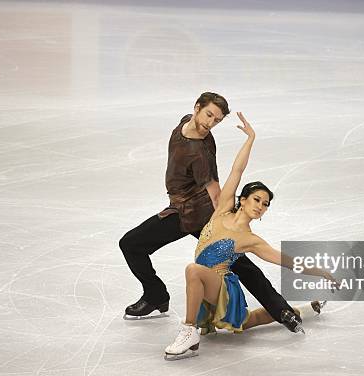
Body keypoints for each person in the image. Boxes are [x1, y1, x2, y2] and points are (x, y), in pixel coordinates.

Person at [119, 92, 303, 332]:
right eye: (209, 115)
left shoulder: (200, 153)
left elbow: (216, 194)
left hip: (193, 214)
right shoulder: (184, 123)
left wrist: (230, 224)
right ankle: (156, 294)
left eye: (217, 120)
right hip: (180, 207)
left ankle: (281, 310)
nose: (210, 123)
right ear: (196, 108)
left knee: (132, 244)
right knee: (243, 265)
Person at [164, 112, 338, 361]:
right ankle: (305, 310)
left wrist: (321, 272)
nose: (260, 206)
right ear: (242, 199)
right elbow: (237, 169)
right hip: (206, 287)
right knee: (249, 321)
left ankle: (189, 332)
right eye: (257, 199)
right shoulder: (222, 208)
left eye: (265, 204)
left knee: (193, 270)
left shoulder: (250, 239)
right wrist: (250, 139)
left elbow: (287, 261)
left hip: (220, 285)